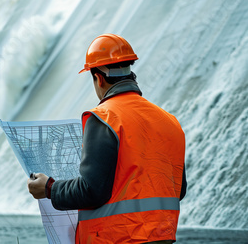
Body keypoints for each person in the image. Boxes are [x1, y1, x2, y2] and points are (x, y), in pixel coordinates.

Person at [27, 34, 187, 244]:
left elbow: (92, 191)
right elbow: (178, 189)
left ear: (98, 78)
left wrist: (49, 188)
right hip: (162, 238)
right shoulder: (169, 121)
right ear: (131, 72)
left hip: (117, 239)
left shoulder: (105, 118)